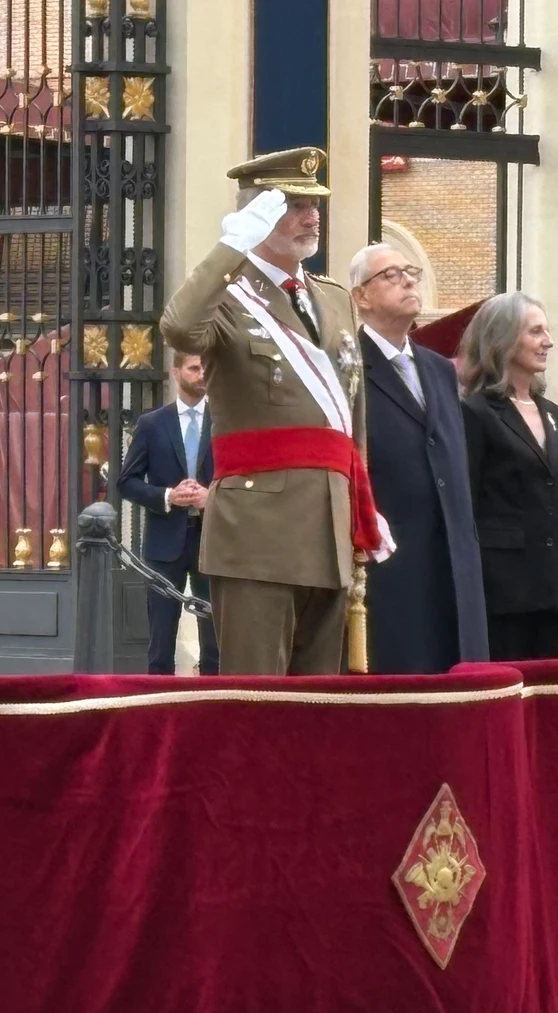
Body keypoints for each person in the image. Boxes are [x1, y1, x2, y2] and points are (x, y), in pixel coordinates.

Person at [158, 146, 391, 676]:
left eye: (315, 204)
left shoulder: (333, 298)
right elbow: (179, 328)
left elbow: (351, 413)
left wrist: (361, 504)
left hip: (330, 527)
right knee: (257, 696)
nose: (312, 216)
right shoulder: (227, 295)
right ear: (257, 215)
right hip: (257, 532)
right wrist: (231, 247)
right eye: (293, 205)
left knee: (319, 701)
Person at [350, 242, 485, 673]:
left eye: (411, 272)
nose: (408, 280)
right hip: (391, 566)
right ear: (361, 296)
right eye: (391, 275)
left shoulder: (439, 369)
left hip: (453, 563)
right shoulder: (348, 367)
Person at [459, 292, 558, 661]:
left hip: (551, 593)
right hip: (500, 594)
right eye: (535, 331)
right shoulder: (475, 413)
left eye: (547, 330)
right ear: (503, 339)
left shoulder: (556, 415)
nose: (549, 341)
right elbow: (465, 509)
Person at [120, 348, 220, 675]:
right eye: (193, 368)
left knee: (216, 641)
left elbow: (242, 477)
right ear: (175, 373)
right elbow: (126, 482)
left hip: (213, 540)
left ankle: (214, 698)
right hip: (164, 542)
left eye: (205, 368)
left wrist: (212, 497)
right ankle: (159, 695)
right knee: (161, 641)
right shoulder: (152, 424)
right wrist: (167, 496)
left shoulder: (223, 421)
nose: (201, 375)